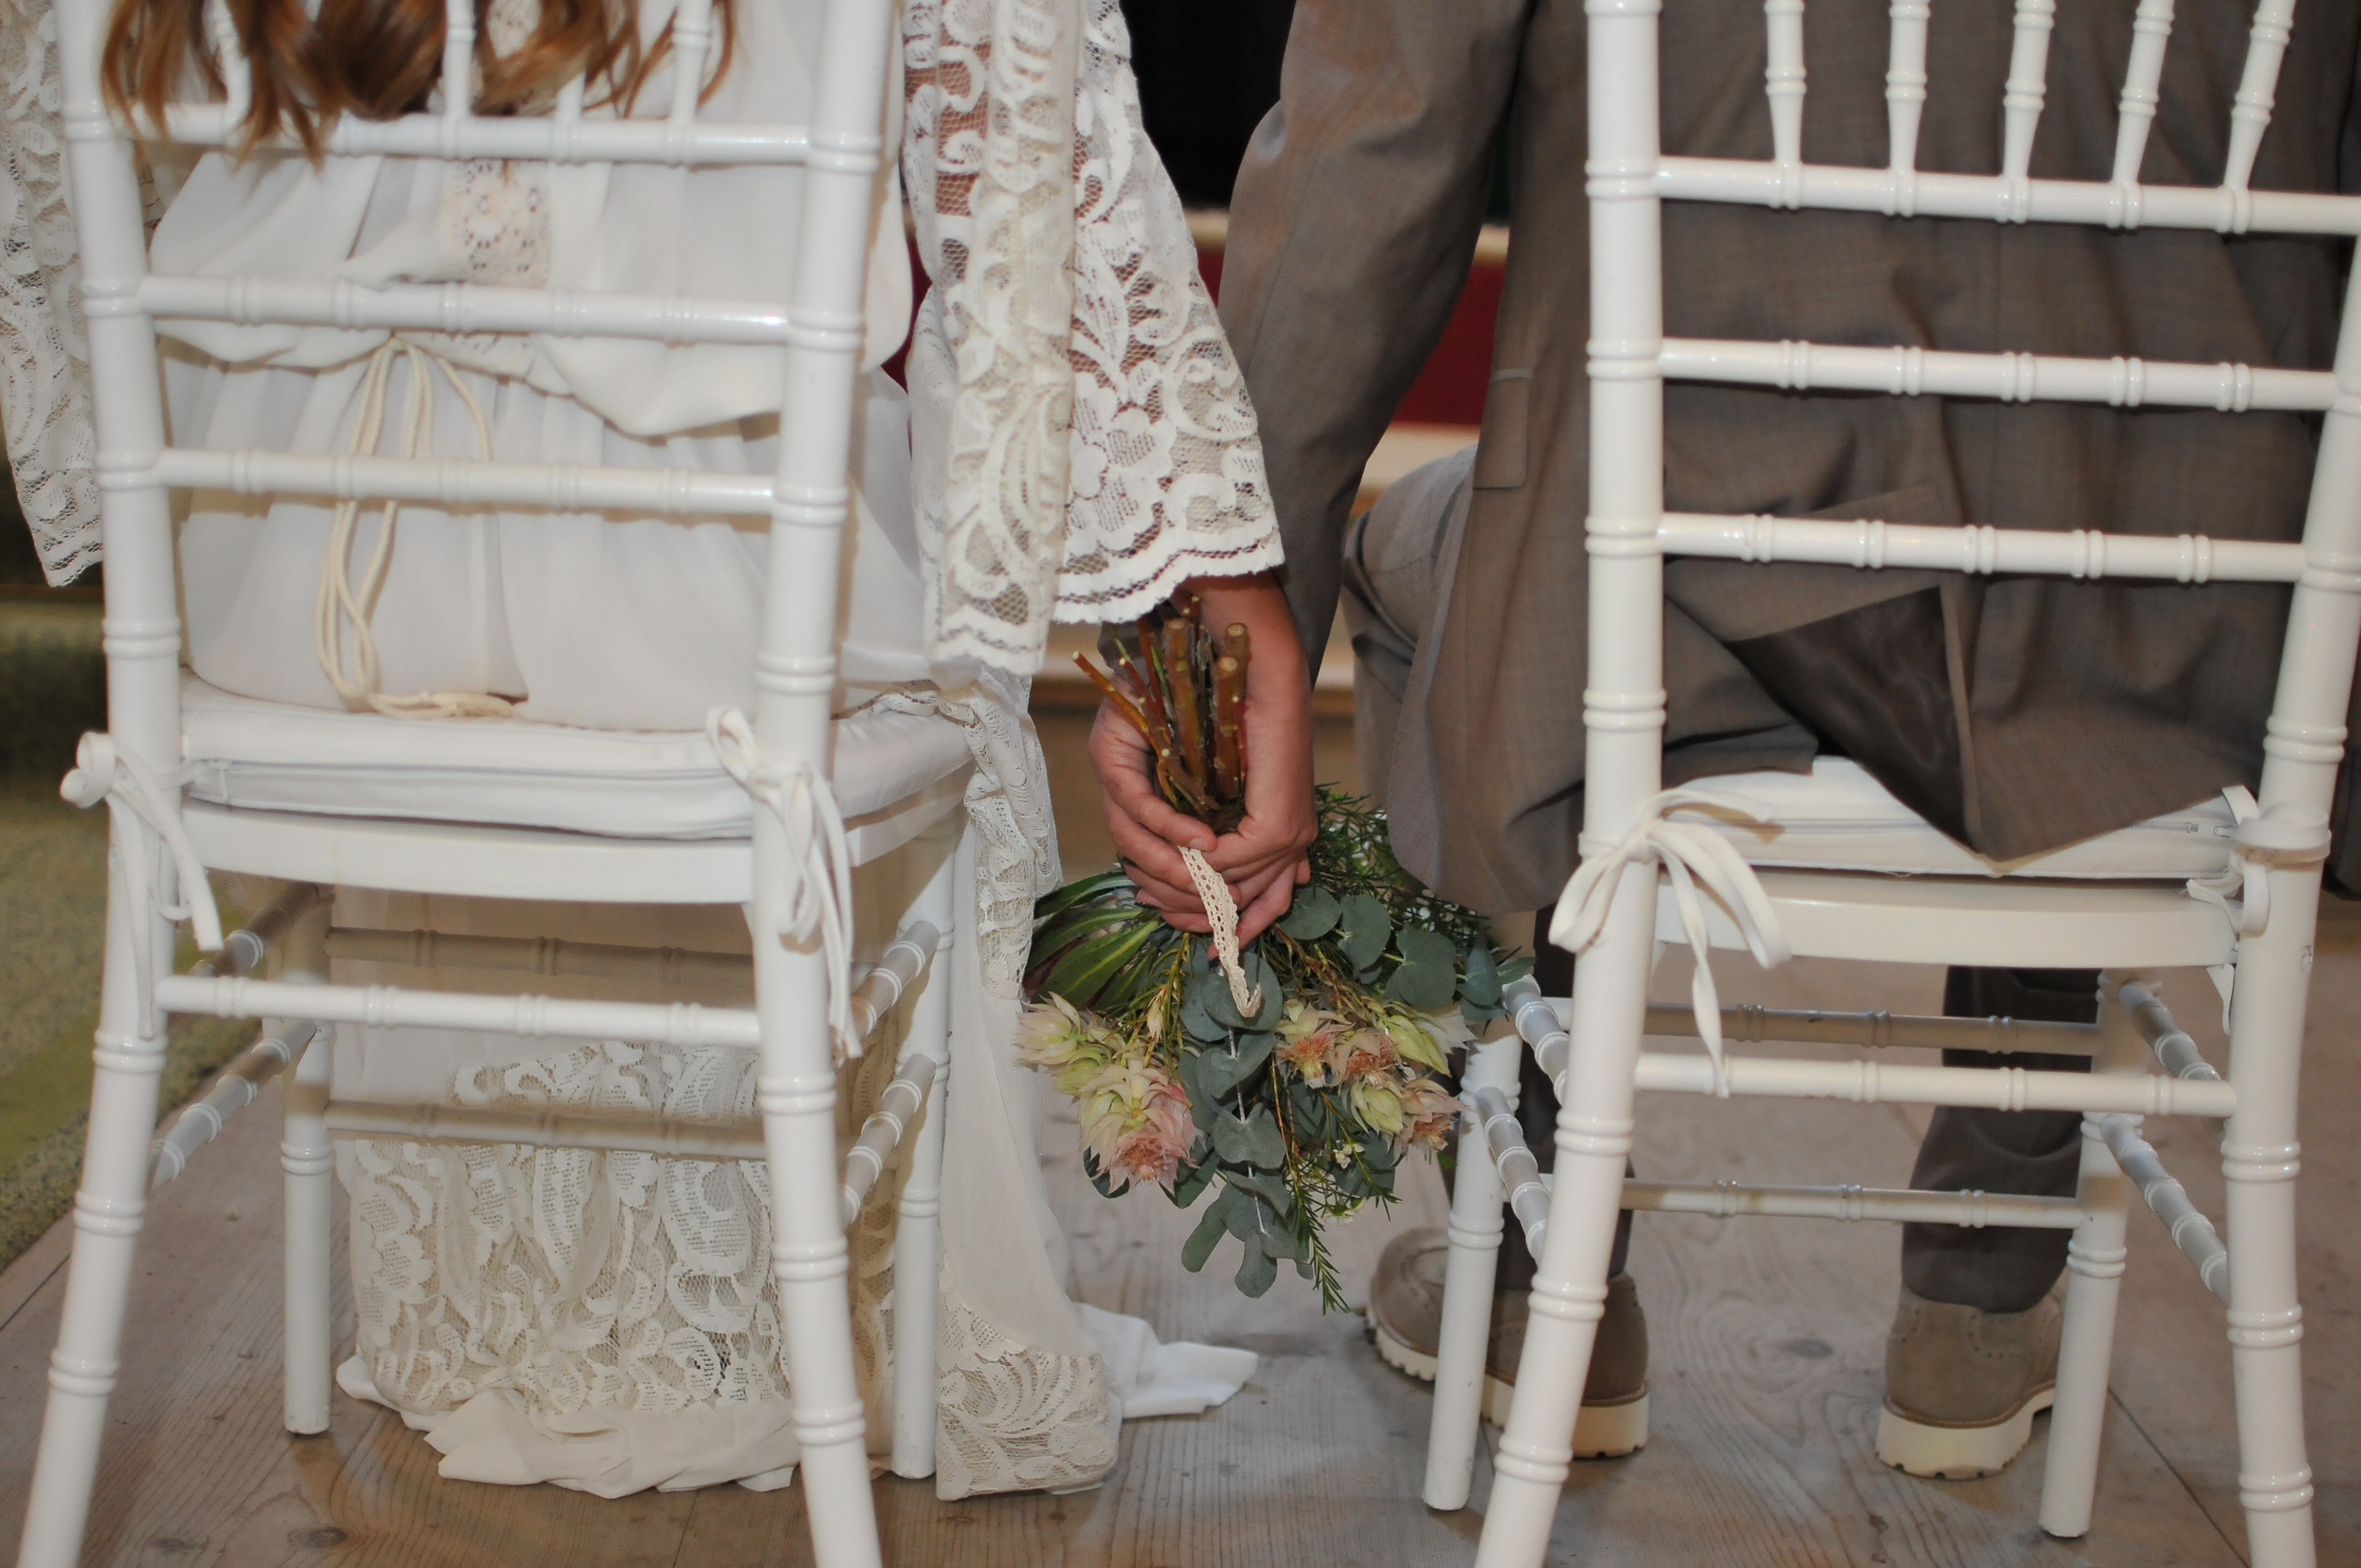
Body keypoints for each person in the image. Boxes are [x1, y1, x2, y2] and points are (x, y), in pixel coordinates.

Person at [2, 0, 1279, 1500]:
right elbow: (1034, 199)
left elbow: (63, 151)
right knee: (947, 645)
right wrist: (1201, 609)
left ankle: (512, 1291)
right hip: (688, 597)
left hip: (283, 580)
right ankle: (803, 1299)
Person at [1092, 0, 2361, 1480]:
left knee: (1424, 558)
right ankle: (1983, 1281)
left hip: (1699, 588)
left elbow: (1373, 153)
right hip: (2185, 625)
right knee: (2058, 514)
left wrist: (1228, 615)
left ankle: (1540, 1254)